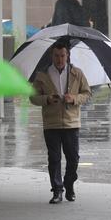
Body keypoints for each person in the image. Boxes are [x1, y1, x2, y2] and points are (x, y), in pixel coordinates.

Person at [29, 42, 91, 204]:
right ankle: (57, 190)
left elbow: (87, 93)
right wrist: (47, 99)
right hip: (51, 124)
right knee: (54, 158)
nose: (59, 59)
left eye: (62, 55)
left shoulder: (77, 73)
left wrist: (74, 98)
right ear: (52, 55)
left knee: (73, 159)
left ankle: (69, 184)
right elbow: (33, 97)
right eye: (56, 56)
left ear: (67, 55)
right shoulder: (42, 75)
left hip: (71, 124)